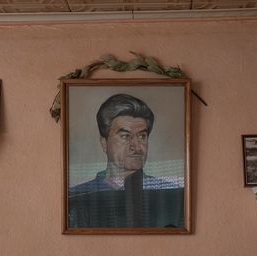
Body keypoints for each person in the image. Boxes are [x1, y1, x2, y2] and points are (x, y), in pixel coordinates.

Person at [68, 93, 185, 228]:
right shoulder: (78, 197)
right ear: (104, 143)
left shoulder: (170, 196)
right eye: (125, 136)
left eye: (142, 136)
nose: (136, 146)